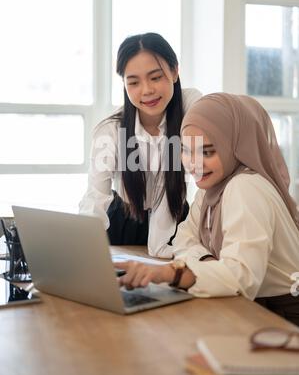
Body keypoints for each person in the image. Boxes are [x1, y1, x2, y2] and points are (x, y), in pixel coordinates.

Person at [114, 93, 299, 325]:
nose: (193, 164)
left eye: (207, 151)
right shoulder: (213, 187)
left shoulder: (245, 187)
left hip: (284, 318)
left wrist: (173, 273)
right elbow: (182, 240)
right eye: (186, 150)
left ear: (236, 145)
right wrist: (209, 263)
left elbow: (241, 278)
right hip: (253, 307)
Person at [79, 32, 201, 258]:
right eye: (133, 82)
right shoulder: (111, 130)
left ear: (174, 71)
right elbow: (96, 197)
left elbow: (207, 180)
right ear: (124, 84)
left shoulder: (191, 108)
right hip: (123, 224)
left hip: (177, 223)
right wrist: (83, 248)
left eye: (155, 78)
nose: (146, 90)